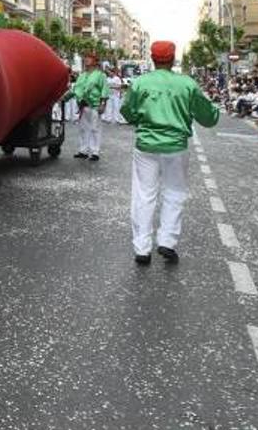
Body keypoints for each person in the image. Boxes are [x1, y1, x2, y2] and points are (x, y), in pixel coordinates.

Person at [120, 41, 220, 265]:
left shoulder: (140, 82)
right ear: (173, 59)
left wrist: (140, 121)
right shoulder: (186, 84)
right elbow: (208, 117)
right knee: (174, 193)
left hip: (145, 146)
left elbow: (127, 111)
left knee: (144, 195)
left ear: (153, 58)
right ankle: (167, 242)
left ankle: (142, 248)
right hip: (176, 146)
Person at [70, 54, 109, 161]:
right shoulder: (82, 75)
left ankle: (95, 151)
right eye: (85, 58)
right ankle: (83, 150)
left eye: (89, 58)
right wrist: (65, 96)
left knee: (94, 128)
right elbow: (76, 90)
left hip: (95, 105)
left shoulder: (100, 75)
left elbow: (104, 90)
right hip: (83, 105)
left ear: (95, 61)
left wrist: (103, 104)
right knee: (83, 129)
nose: (86, 60)